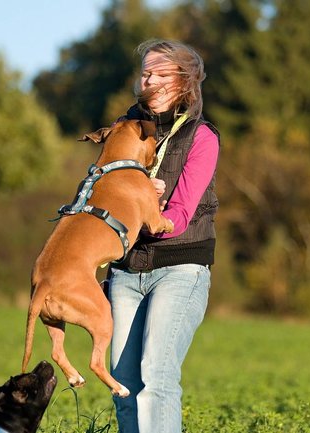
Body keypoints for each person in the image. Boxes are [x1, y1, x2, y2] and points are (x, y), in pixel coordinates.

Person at [107, 39, 220, 433]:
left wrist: (143, 202)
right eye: (145, 72)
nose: (148, 79)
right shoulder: (124, 131)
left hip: (180, 267)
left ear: (184, 82)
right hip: (125, 271)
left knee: (156, 377)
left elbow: (182, 214)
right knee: (122, 385)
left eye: (159, 72)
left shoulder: (202, 137)